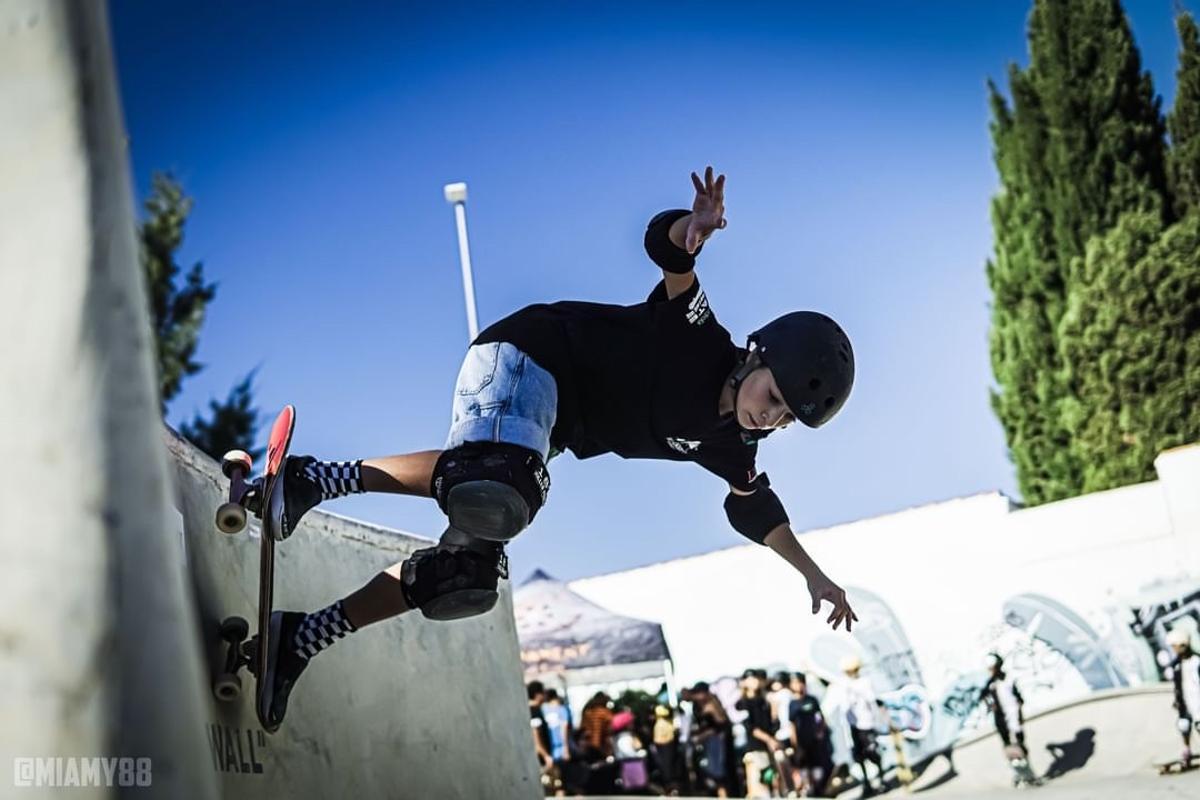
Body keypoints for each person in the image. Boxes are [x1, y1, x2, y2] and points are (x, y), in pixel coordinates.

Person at [245, 166, 859, 728]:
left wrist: (816, 576)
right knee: (498, 479)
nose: (769, 416)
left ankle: (299, 637)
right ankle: (312, 480)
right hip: (526, 357)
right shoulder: (698, 336)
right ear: (757, 355)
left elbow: (758, 510)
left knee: (464, 574)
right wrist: (692, 229)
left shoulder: (732, 446)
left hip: (540, 433)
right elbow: (667, 252)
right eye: (772, 395)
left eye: (783, 418)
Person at [837, 655, 883, 797]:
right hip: (852, 725)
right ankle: (866, 784)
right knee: (858, 756)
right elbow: (844, 705)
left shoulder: (864, 682)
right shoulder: (843, 685)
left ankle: (881, 777)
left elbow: (871, 699)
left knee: (872, 753)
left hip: (866, 723)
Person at [788, 672, 834, 797]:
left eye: (800, 682)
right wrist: (795, 744)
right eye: (795, 683)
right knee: (804, 766)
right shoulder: (792, 704)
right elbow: (791, 725)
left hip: (816, 740)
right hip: (802, 741)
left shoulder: (812, 700)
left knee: (819, 766)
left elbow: (820, 718)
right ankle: (809, 789)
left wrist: (820, 732)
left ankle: (820, 789)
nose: (798, 685)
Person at [736, 669, 779, 798]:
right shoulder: (742, 703)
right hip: (753, 748)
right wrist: (769, 740)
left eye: (756, 678)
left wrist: (774, 711)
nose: (754, 681)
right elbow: (751, 728)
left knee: (768, 780)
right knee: (755, 785)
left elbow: (773, 726)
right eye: (750, 679)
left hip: (767, 749)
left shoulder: (764, 701)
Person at [688, 682, 734, 798]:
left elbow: (721, 726)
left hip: (716, 744)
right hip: (708, 744)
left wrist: (704, 734)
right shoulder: (699, 706)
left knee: (718, 774)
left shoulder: (712, 706)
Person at [1167, 627, 1200, 763]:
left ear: (1184, 646)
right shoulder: (1176, 664)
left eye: (1177, 647)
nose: (1175, 650)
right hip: (1185, 700)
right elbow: (1177, 685)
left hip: (1197, 697)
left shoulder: (1197, 661)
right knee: (1184, 725)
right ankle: (1187, 749)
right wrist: (1177, 699)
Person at [528, 681, 559, 794]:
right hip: (541, 760)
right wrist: (546, 756)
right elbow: (535, 735)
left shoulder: (531, 710)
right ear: (538, 694)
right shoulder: (534, 711)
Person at [540, 688, 573, 795]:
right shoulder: (562, 709)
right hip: (559, 748)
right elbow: (564, 730)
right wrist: (566, 748)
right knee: (561, 782)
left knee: (550, 781)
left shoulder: (543, 709)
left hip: (547, 749)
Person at [652, 704, 682, 795]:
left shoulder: (667, 722)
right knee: (666, 767)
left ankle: (672, 789)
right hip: (663, 746)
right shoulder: (662, 722)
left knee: (668, 767)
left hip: (667, 745)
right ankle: (669, 788)